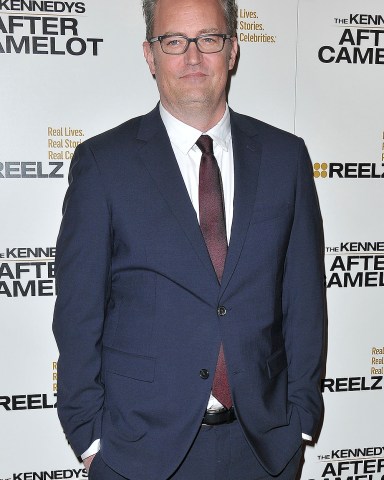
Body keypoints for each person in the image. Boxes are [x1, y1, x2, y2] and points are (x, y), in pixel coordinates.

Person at [53, 0, 325, 478]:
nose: (193, 57)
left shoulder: (287, 159)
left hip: (264, 449)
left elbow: (304, 301)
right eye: (174, 41)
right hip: (138, 452)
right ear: (149, 54)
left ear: (233, 50)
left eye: (209, 38)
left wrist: (299, 422)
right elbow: (78, 316)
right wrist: (91, 438)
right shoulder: (103, 164)